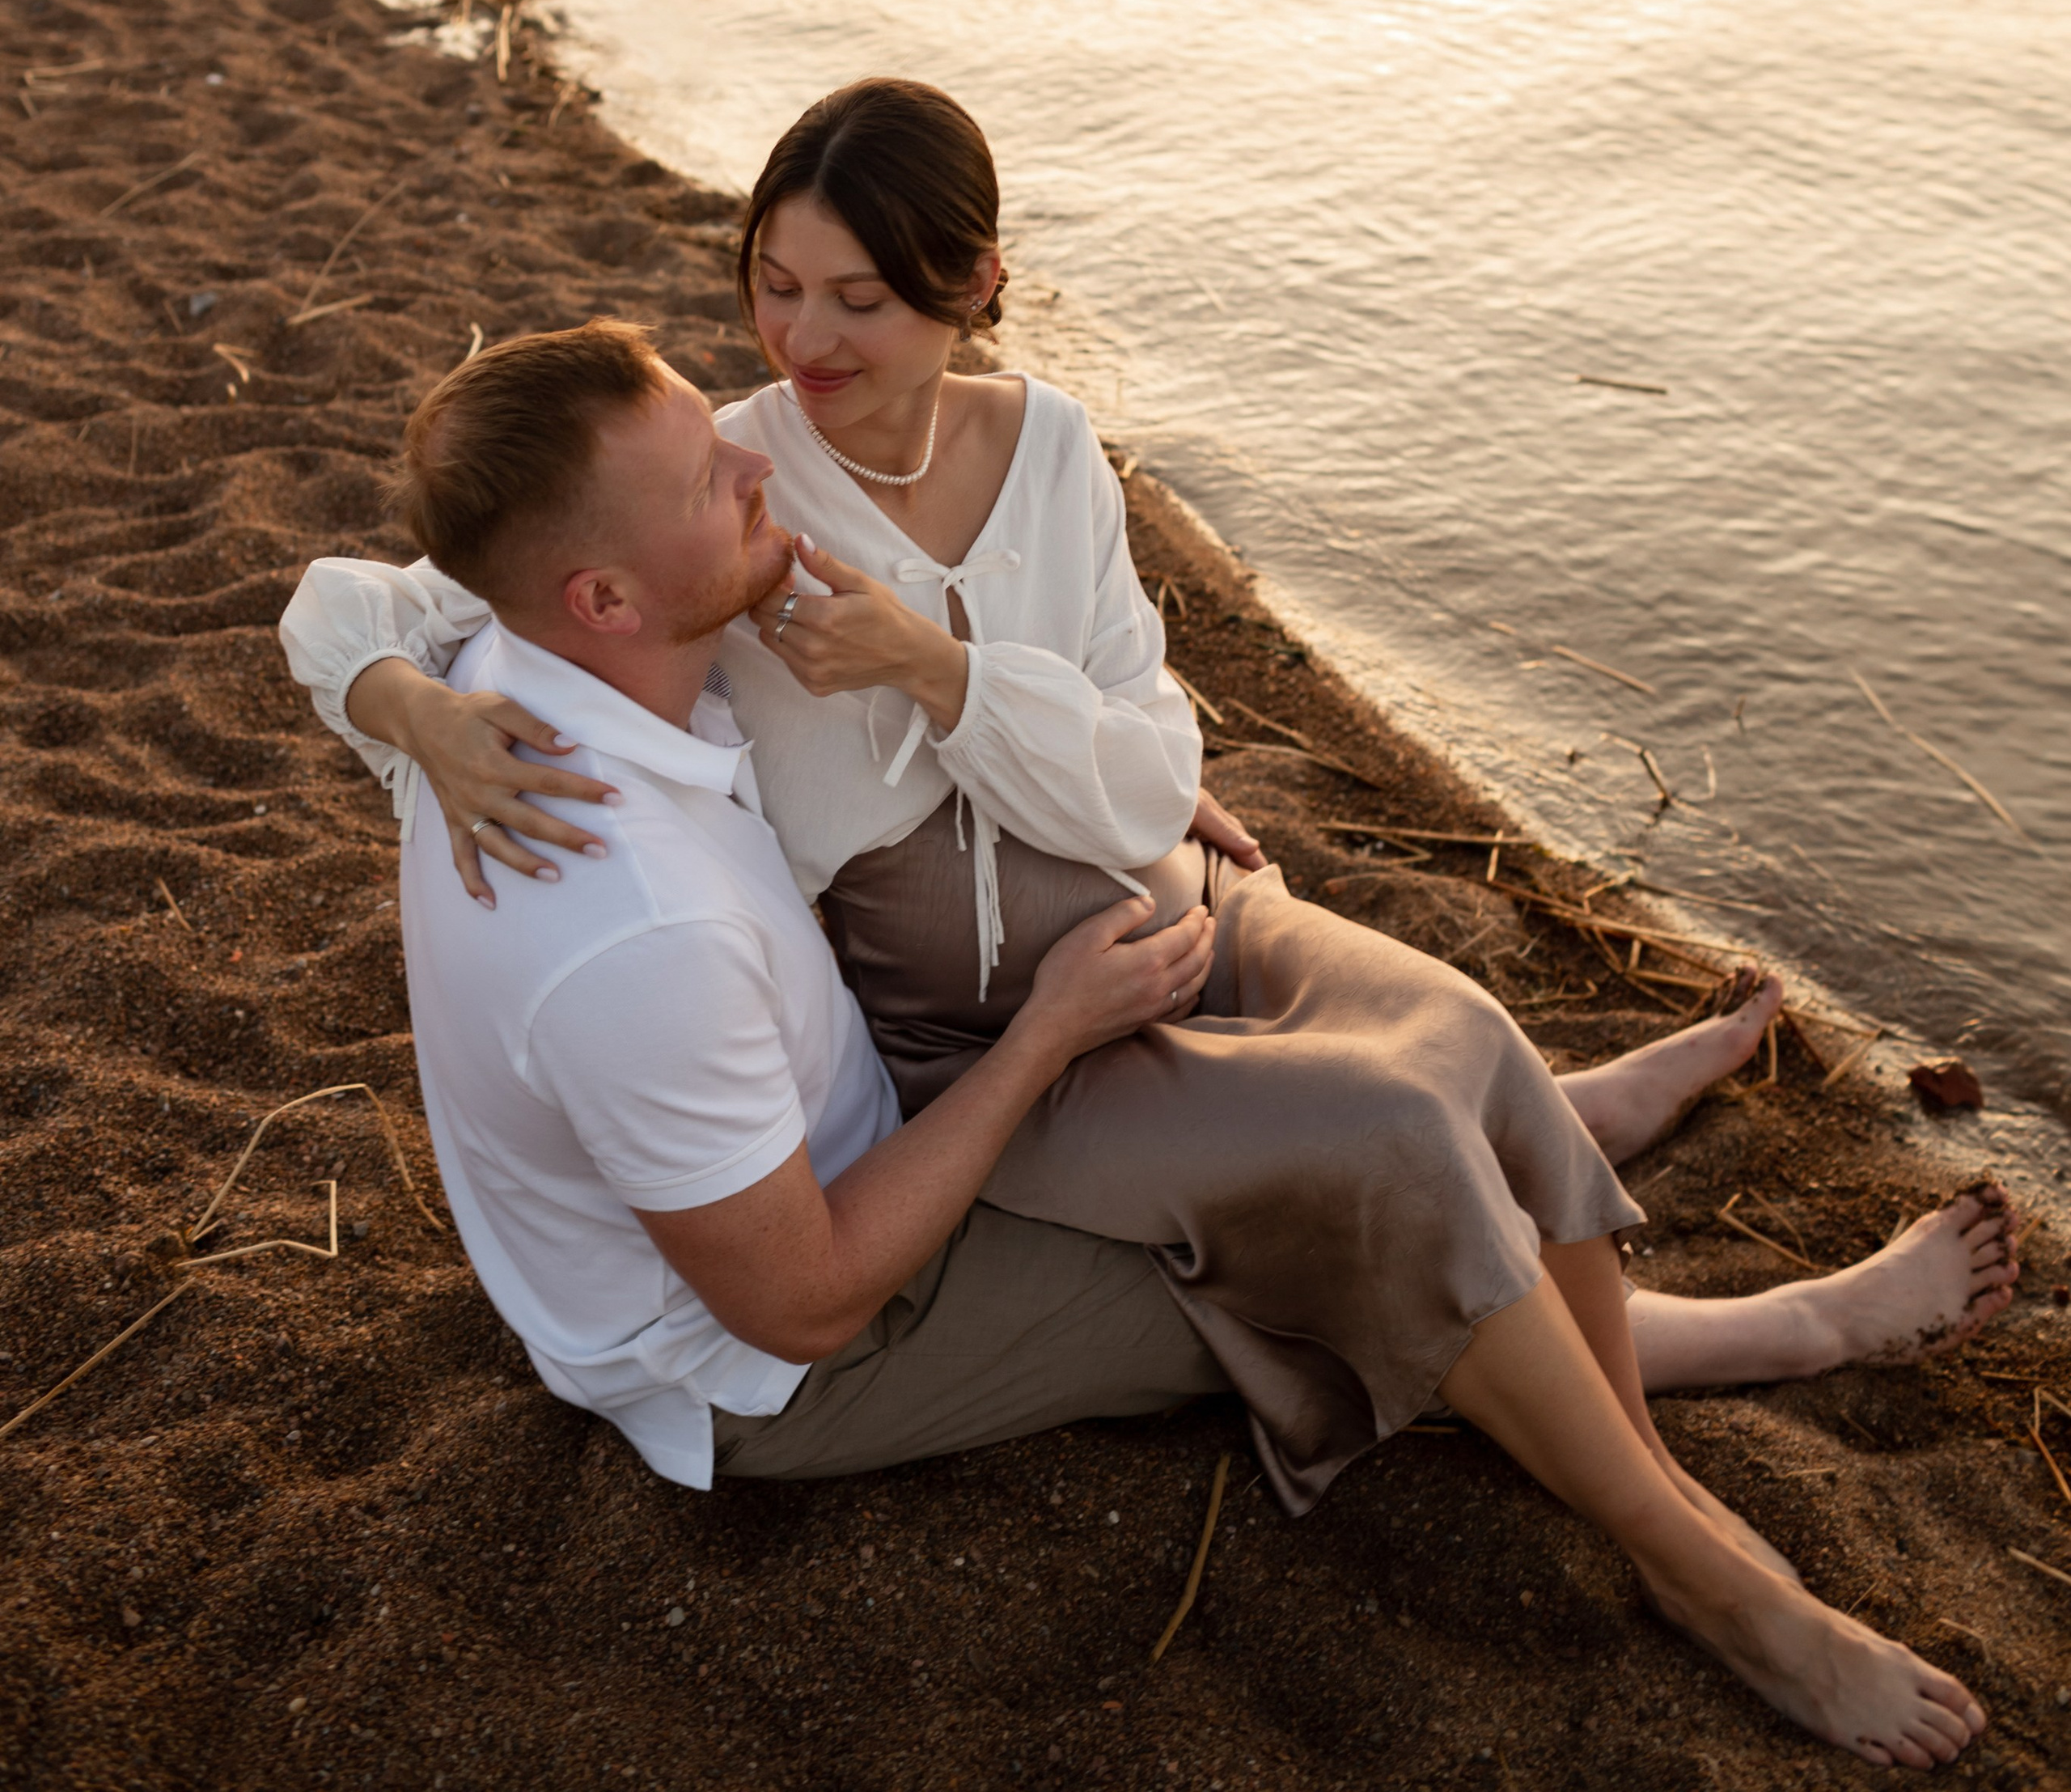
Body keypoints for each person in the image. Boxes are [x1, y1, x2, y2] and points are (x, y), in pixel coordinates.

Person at [293, 316, 1986, 1770]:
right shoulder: (625, 925)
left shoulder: (519, 686)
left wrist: (397, 699)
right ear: (597, 593)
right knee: (1343, 1234)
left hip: (841, 1160)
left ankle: (1553, 1142)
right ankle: (1736, 1503)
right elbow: (795, 1302)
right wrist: (1045, 1034)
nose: (755, 468)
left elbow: (347, 598)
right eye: (707, 481)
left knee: (1399, 1104)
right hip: (770, 1363)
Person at [282, 83, 2019, 1422]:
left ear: (969, 289)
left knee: (1457, 1034)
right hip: (965, 1026)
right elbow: (360, 595)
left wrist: (945, 672)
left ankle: (1575, 1110)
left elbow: (1140, 763)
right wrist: (414, 714)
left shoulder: (1047, 452)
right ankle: (1761, 1327)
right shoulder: (716, 498)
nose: (801, 344)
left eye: (861, 300)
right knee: (1357, 1196)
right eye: (773, 286)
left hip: (1139, 906)